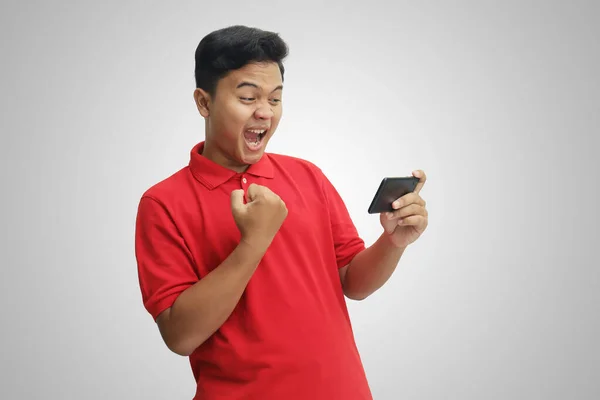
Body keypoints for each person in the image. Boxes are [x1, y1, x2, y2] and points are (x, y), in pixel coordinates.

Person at [134, 25, 429, 400]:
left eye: (274, 99)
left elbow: (352, 281)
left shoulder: (308, 176)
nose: (264, 112)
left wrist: (392, 242)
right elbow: (180, 335)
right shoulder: (163, 204)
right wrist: (254, 241)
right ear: (204, 103)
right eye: (247, 97)